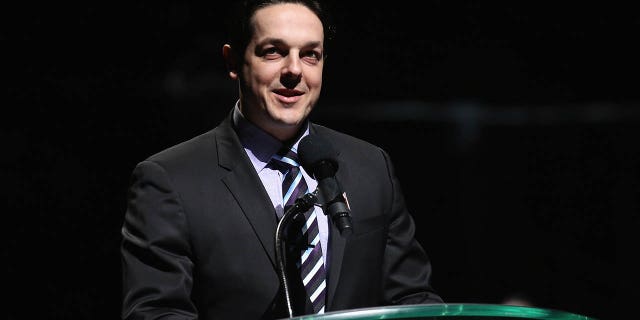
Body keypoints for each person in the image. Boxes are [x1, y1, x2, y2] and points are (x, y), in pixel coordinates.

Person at [120, 1, 443, 319]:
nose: (294, 70)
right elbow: (157, 312)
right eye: (273, 51)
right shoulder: (171, 179)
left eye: (310, 55)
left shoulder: (371, 166)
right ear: (233, 61)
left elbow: (411, 298)